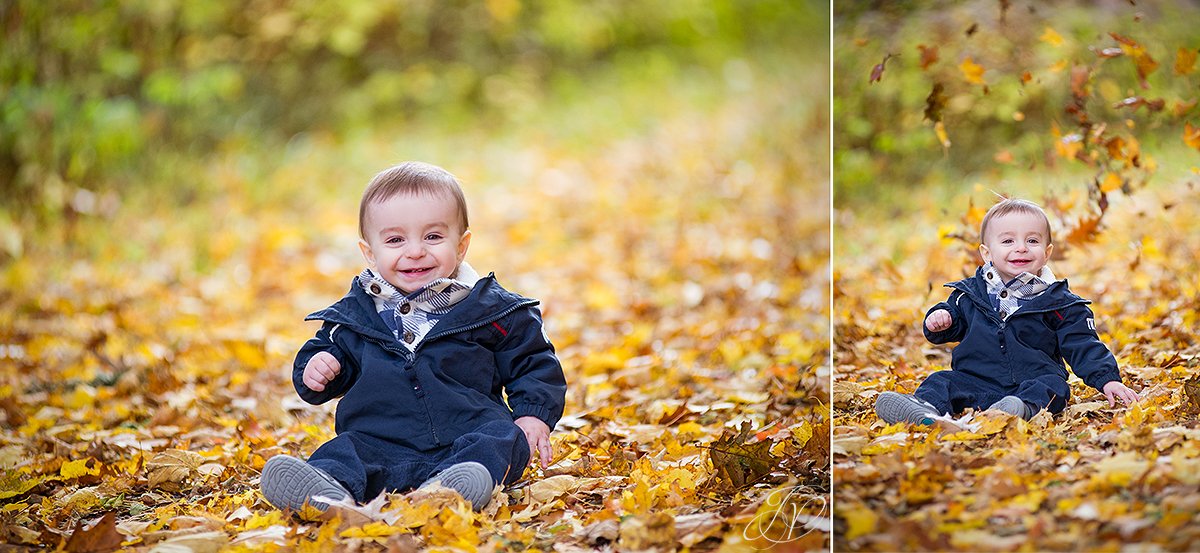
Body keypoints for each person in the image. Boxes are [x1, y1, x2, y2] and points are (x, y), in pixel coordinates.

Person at [260, 161, 567, 514]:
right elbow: (328, 357)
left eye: (433, 236)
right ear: (370, 253)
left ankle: (452, 487)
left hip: (467, 433)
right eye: (395, 240)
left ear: (462, 244)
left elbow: (532, 360)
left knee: (501, 439)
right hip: (379, 438)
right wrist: (319, 368)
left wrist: (533, 414)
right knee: (345, 451)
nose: (416, 250)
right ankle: (329, 493)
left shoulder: (490, 310)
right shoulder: (356, 317)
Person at [875, 198, 1140, 425]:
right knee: (942, 381)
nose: (1021, 247)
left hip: (1032, 381)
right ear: (987, 253)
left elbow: (1082, 343)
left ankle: (1018, 410)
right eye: (1008, 240)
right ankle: (924, 410)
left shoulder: (1060, 302)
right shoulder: (970, 294)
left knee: (1054, 387)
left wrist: (1107, 379)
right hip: (975, 380)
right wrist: (941, 319)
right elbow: (952, 321)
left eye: (1032, 240)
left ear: (1047, 253)